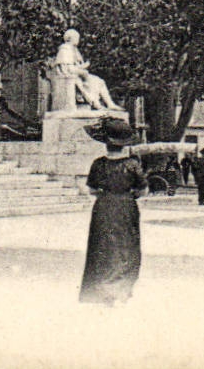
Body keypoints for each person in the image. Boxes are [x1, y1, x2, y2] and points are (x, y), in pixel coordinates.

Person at [79, 117, 147, 306]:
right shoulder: (132, 165)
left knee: (102, 246)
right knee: (126, 246)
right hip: (126, 205)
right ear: (124, 145)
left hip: (104, 206)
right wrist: (129, 192)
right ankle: (121, 288)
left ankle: (101, 289)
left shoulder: (98, 164)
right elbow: (143, 190)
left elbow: (92, 189)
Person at [52, 29, 125, 111]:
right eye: (76, 37)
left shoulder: (74, 50)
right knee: (88, 82)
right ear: (70, 38)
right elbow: (69, 69)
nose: (78, 39)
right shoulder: (65, 50)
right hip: (72, 77)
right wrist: (83, 70)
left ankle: (110, 104)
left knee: (99, 81)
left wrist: (83, 67)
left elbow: (74, 66)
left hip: (78, 76)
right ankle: (95, 103)